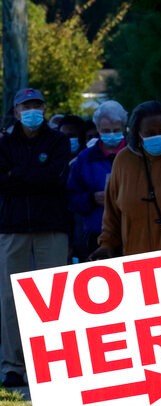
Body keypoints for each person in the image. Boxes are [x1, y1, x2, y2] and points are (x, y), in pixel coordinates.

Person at [0, 87, 73, 389]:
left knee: (51, 298)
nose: (32, 111)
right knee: (9, 298)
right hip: (13, 227)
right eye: (25, 106)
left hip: (51, 227)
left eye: (37, 105)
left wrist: (18, 176)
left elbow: (56, 178)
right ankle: (12, 366)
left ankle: (49, 363)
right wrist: (34, 175)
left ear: (44, 109)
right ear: (15, 111)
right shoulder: (4, 143)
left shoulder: (58, 141)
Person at [89, 102, 161, 258]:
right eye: (150, 132)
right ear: (137, 133)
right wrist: (107, 244)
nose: (157, 136)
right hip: (135, 258)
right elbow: (111, 212)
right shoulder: (123, 160)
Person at [67, 101, 128, 261]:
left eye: (116, 130)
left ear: (123, 128)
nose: (112, 134)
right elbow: (71, 198)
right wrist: (92, 198)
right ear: (98, 129)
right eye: (106, 130)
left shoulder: (135, 154)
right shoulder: (85, 158)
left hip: (132, 230)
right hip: (97, 232)